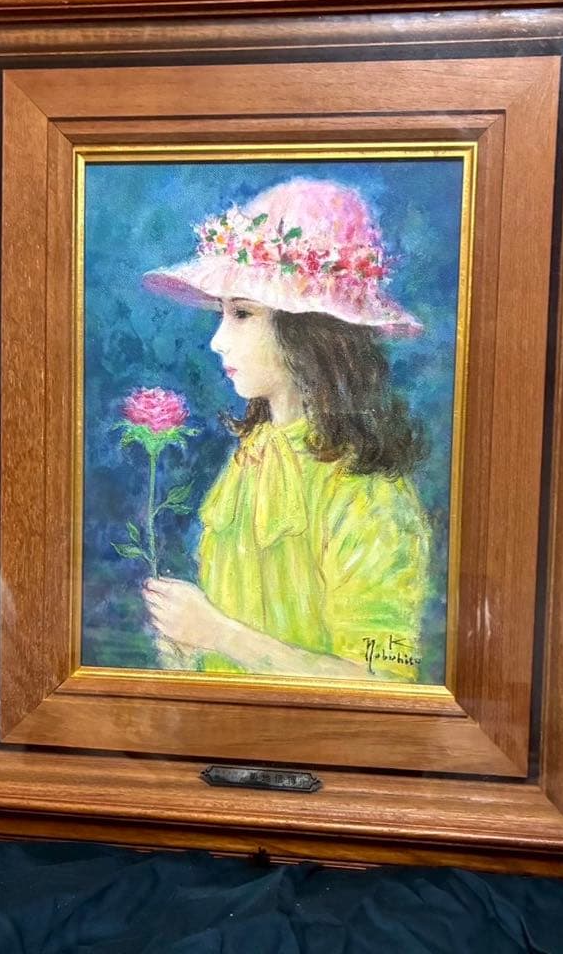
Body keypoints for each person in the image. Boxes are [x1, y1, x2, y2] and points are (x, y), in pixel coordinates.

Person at [140, 177, 432, 683]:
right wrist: (184, 650)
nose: (217, 341)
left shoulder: (368, 493)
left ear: (308, 332)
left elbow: (382, 681)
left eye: (242, 314)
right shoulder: (253, 454)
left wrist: (218, 634)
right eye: (222, 313)